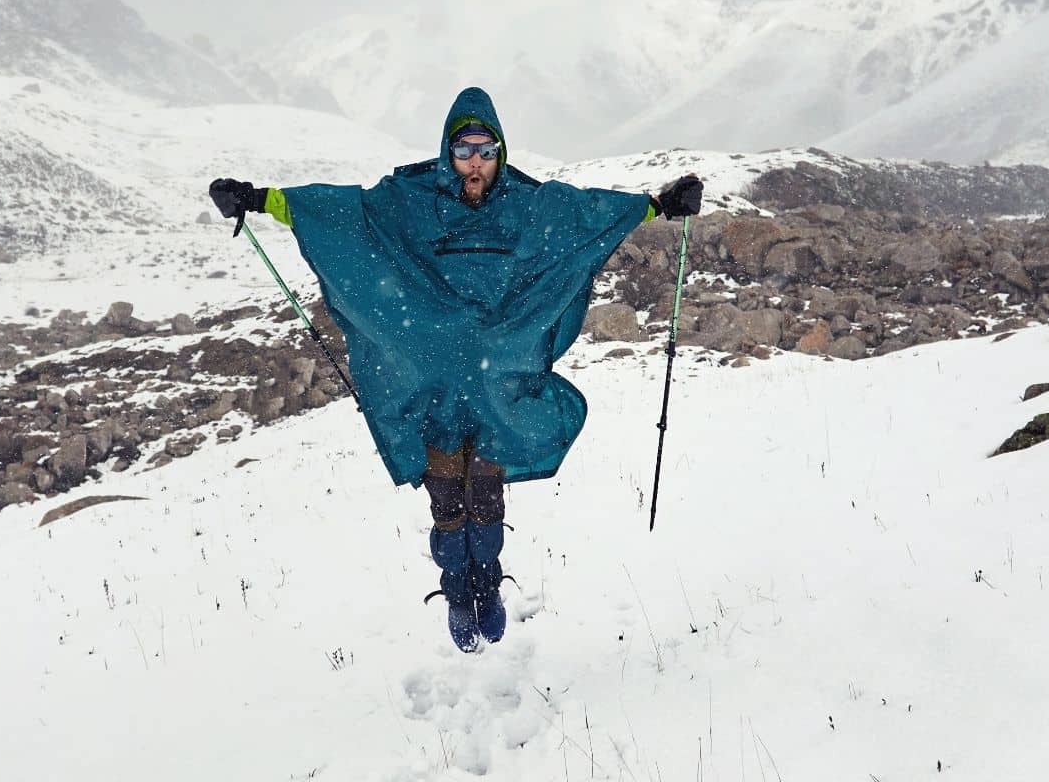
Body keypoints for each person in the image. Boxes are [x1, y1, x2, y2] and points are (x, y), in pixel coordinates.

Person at [209, 87, 702, 652]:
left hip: (499, 386)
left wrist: (660, 205)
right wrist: (258, 198)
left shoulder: (529, 205)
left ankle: (487, 586)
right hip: (432, 388)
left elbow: (586, 216)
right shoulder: (407, 200)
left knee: (485, 495)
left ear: (500, 152)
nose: (475, 162)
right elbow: (342, 213)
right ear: (448, 151)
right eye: (464, 150)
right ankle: (456, 590)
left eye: (485, 151)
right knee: (447, 499)